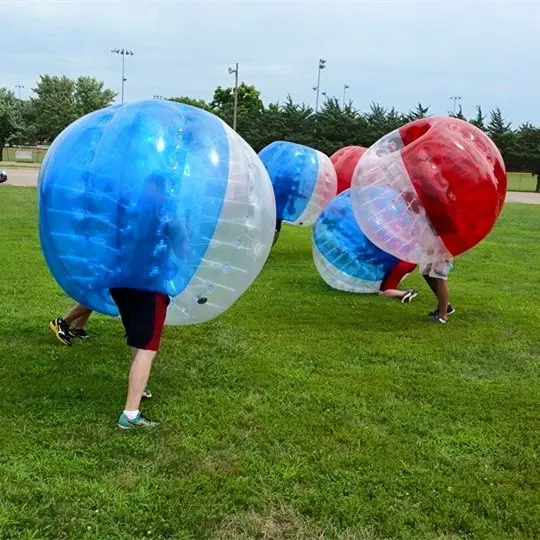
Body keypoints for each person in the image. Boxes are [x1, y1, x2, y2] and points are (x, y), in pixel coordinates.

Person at [111, 287, 169, 430]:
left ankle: (140, 387)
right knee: (147, 348)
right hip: (149, 287)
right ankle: (130, 415)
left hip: (121, 283)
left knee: (137, 337)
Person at [420, 260, 455, 324]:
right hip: (431, 251)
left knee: (439, 277)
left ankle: (442, 317)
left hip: (443, 252)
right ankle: (447, 306)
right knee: (426, 272)